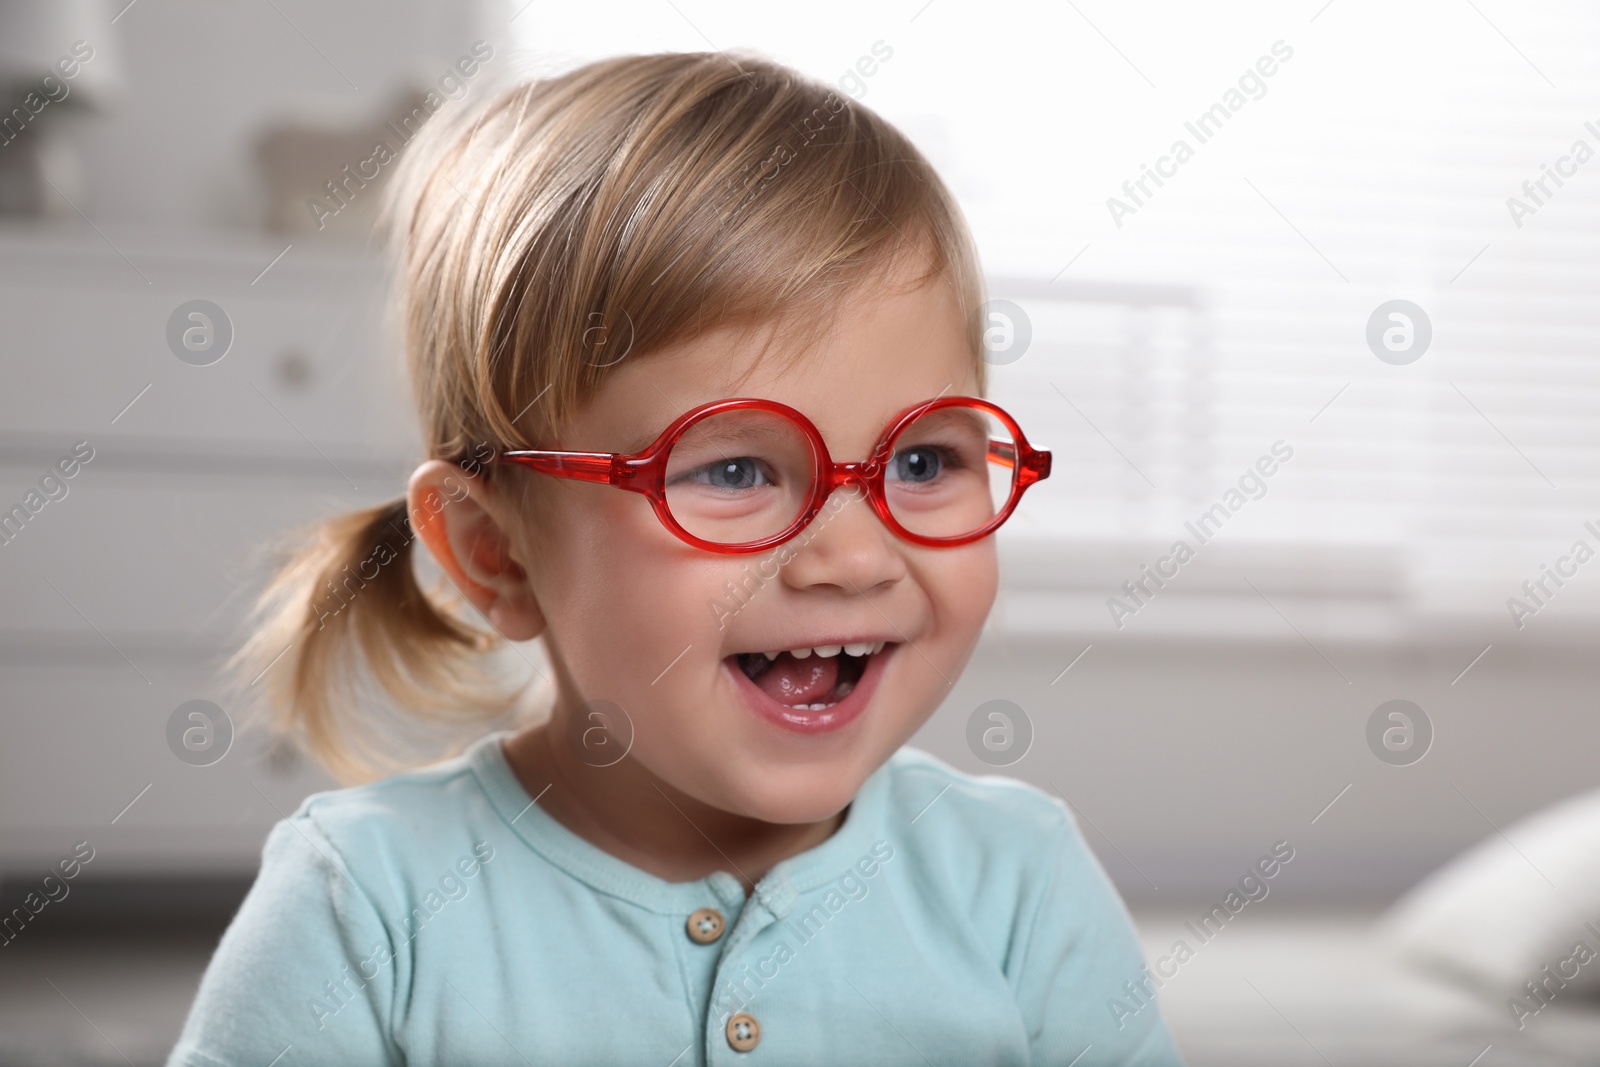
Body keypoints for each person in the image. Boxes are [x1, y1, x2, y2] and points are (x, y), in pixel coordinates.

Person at [167, 51, 1184, 1066]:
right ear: (496, 554)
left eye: (922, 458)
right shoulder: (366, 908)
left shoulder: (1019, 885)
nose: (852, 553)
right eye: (736, 469)